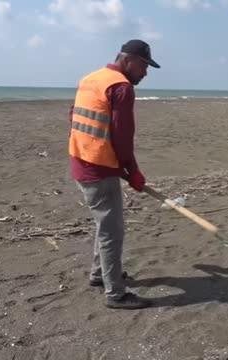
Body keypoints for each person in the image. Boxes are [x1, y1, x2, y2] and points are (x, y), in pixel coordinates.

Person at [68, 39, 160, 310]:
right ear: (128, 60)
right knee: (112, 232)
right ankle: (115, 294)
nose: (145, 72)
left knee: (105, 227)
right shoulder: (121, 87)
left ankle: (99, 275)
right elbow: (122, 138)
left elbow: (73, 116)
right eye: (144, 65)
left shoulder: (91, 78)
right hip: (99, 169)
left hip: (81, 161)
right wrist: (133, 171)